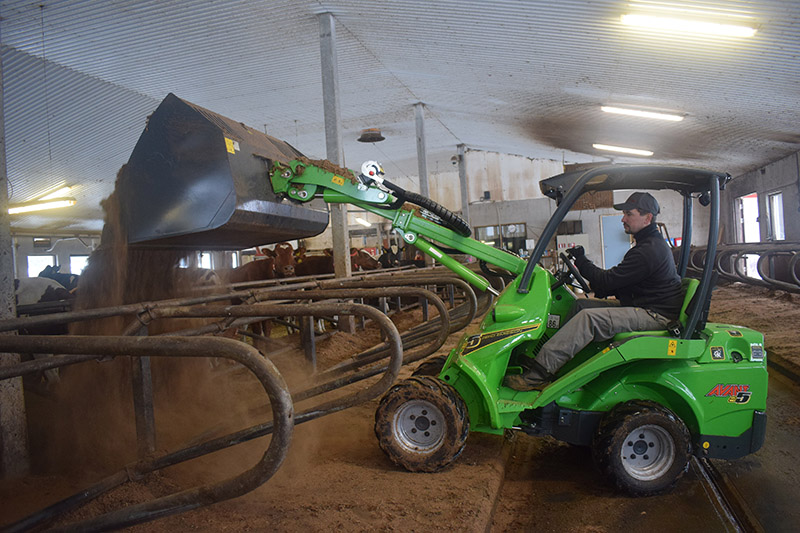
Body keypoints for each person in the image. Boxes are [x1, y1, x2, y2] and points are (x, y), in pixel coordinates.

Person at [504, 192, 684, 391]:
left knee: (588, 319)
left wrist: (582, 260)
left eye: (629, 214)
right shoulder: (647, 245)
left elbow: (606, 281)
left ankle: (537, 376)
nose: (623, 219)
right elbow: (614, 282)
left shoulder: (648, 250)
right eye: (624, 213)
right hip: (644, 304)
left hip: (656, 314)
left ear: (647, 218)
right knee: (581, 304)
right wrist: (591, 273)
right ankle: (559, 364)